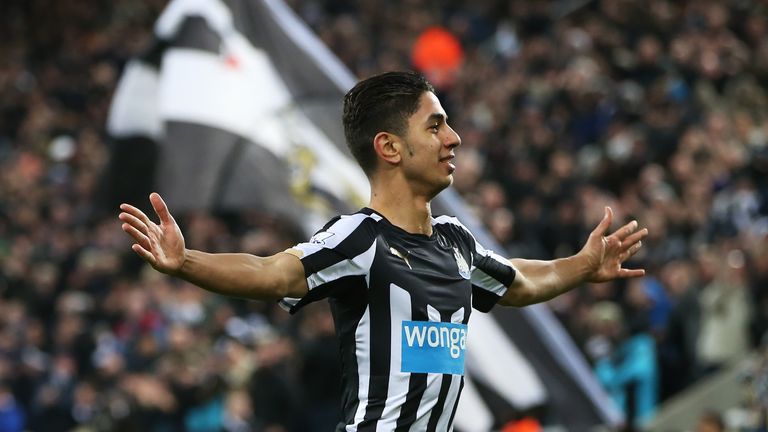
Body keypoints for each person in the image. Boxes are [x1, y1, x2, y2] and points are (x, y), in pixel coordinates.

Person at [118, 71, 648, 431]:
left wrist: (583, 265)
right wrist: (187, 261)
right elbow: (274, 272)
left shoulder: (456, 242)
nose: (454, 138)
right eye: (435, 125)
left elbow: (520, 281)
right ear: (389, 147)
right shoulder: (360, 239)